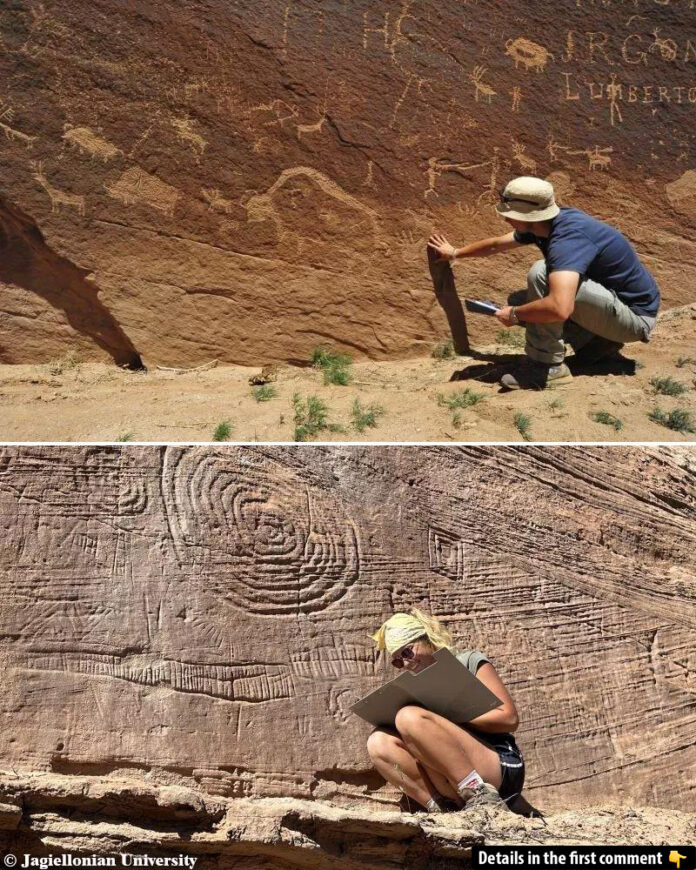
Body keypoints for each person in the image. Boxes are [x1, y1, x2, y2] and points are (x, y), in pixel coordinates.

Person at [427, 176, 661, 389]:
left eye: (509, 213)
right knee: (525, 299)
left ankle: (547, 369)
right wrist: (455, 253)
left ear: (527, 216)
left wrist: (516, 315)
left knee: (541, 276)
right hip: (615, 309)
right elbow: (496, 245)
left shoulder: (567, 239)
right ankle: (597, 346)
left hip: (635, 319)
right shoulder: (545, 225)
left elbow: (560, 308)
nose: (505, 218)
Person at [366, 608, 524, 813]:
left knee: (408, 717)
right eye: (398, 661)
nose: (405, 663)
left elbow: (509, 718)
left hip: (500, 767)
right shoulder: (413, 688)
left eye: (407, 652)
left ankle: (481, 796)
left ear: (427, 639)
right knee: (378, 742)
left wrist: (450, 717)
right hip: (449, 779)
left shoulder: (469, 661)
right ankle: (442, 808)